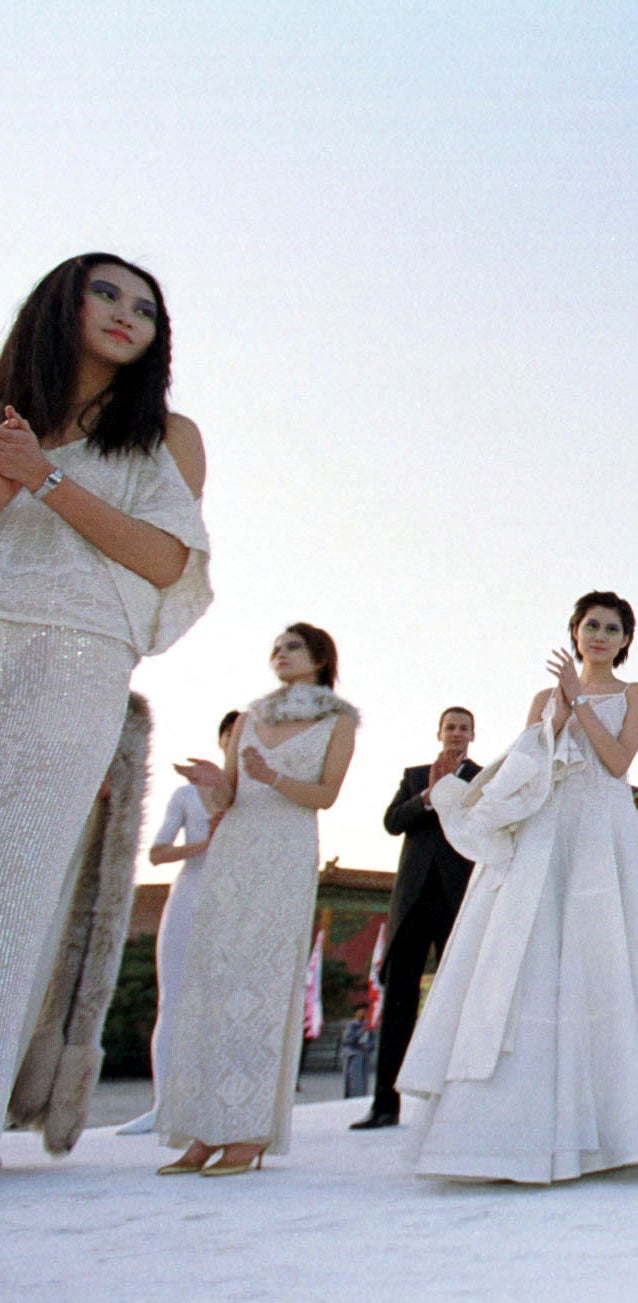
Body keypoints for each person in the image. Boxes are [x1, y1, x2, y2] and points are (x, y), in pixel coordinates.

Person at [397, 592, 638, 1182]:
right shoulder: (542, 697)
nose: (600, 636)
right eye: (591, 626)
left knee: (602, 962)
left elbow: (616, 763)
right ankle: (513, 1131)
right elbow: (531, 766)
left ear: (626, 640)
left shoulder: (636, 694)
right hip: (547, 829)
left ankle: (615, 1129)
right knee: (529, 964)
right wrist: (555, 713)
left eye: (612, 628)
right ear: (574, 633)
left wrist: (577, 701)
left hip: (604, 831)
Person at [0, 253, 212, 1121]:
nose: (128, 315)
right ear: (62, 303)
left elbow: (166, 558)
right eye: (108, 294)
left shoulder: (167, 434)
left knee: (16, 882)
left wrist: (45, 477)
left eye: (147, 308)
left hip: (76, 663)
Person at [156, 623, 359, 1176]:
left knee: (263, 986)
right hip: (234, 851)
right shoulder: (247, 718)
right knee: (214, 985)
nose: (280, 654)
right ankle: (203, 1128)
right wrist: (211, 783)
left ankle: (247, 1134)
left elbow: (327, 794)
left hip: (286, 851)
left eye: (292, 646)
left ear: (318, 657)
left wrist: (272, 777)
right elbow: (228, 794)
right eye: (275, 647)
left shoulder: (336, 722)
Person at [351, 706, 483, 1131]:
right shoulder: (413, 776)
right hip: (412, 900)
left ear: (473, 735)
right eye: (450, 727)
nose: (457, 734)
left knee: (459, 1000)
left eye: (464, 728)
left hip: (458, 898)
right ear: (439, 732)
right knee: (399, 1002)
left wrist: (453, 794)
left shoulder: (483, 779)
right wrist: (427, 797)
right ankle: (384, 1106)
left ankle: (456, 1108)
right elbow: (392, 822)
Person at [116, 710, 239, 1136]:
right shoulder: (186, 796)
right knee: (173, 1003)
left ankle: (219, 1103)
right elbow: (157, 853)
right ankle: (163, 1105)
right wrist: (208, 843)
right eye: (232, 735)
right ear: (223, 741)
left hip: (236, 905)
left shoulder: (260, 799)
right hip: (190, 896)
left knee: (228, 1004)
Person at [340, 1004, 374, 1099]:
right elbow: (346, 1040)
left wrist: (367, 1046)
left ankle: (362, 1095)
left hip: (365, 1053)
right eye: (360, 1011)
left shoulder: (368, 1025)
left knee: (363, 1078)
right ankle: (352, 1095)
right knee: (354, 1077)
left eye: (364, 1011)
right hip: (353, 1053)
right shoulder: (351, 1025)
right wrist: (359, 1033)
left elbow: (372, 1041)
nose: (363, 1013)